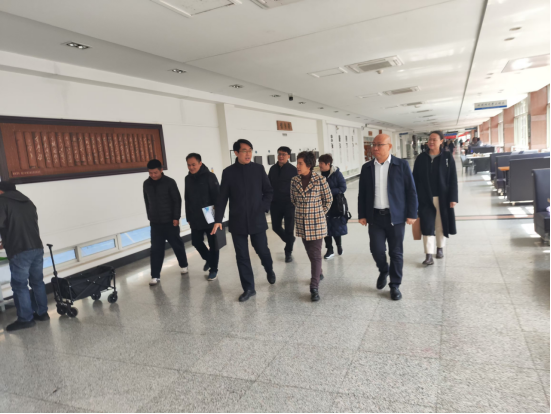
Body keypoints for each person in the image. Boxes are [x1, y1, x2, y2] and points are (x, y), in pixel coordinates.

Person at [212, 139, 275, 302]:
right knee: (242, 256)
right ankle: (249, 288)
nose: (248, 154)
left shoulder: (258, 169)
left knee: (262, 250)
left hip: (257, 218)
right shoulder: (228, 172)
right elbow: (222, 198)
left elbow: (268, 191)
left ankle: (269, 269)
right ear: (236, 153)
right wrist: (218, 219)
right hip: (237, 220)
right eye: (244, 151)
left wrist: (263, 207)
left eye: (250, 150)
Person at [358, 134, 418, 301]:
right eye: (374, 145)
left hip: (396, 216)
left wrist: (412, 213)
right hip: (375, 217)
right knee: (376, 250)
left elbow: (411, 191)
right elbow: (362, 193)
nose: (375, 148)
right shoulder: (367, 167)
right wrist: (362, 214)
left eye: (379, 145)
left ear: (389, 146)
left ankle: (395, 285)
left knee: (396, 252)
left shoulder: (401, 165)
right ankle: (384, 270)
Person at [0, 182, 48, 332]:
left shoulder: (2, 201)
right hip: (36, 247)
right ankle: (42, 313)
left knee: (19, 285)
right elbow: (23, 226)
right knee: (37, 282)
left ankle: (25, 319)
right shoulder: (28, 201)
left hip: (20, 249)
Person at [291, 151, 332, 301]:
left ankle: (314, 287)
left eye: (300, 163)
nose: (297, 166)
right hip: (302, 223)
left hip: (316, 223)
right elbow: (293, 199)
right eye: (297, 163)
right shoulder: (294, 181)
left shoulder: (320, 180)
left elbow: (328, 199)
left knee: (315, 254)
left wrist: (319, 213)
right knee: (310, 252)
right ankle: (319, 272)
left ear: (309, 165)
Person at [413, 131, 458, 265]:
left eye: (434, 139)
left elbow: (453, 178)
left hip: (443, 197)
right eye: (430, 139)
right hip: (425, 198)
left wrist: (453, 198)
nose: (431, 142)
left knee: (440, 224)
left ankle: (439, 248)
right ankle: (428, 255)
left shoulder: (447, 157)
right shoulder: (421, 158)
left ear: (441, 141)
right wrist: (414, 198)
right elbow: (414, 179)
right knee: (427, 225)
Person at [143, 159, 188, 286]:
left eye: (155, 172)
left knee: (176, 244)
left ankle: (184, 265)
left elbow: (177, 200)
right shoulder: (146, 184)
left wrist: (176, 217)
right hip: (155, 222)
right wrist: (150, 216)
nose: (153, 175)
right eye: (150, 173)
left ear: (161, 170)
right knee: (156, 249)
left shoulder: (169, 182)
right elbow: (147, 201)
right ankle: (155, 275)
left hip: (170, 221)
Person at [184, 153, 220, 281]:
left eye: (193, 164)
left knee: (213, 243)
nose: (191, 167)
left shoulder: (210, 176)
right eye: (189, 165)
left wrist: (218, 218)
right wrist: (188, 217)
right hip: (195, 215)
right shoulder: (187, 179)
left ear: (200, 163)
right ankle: (209, 259)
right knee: (196, 242)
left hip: (209, 214)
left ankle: (214, 269)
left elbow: (217, 197)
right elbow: (187, 199)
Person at [268, 146, 297, 263]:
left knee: (289, 229)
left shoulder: (293, 170)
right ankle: (290, 240)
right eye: (279, 154)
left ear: (288, 156)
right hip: (275, 204)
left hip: (289, 204)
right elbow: (268, 185)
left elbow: (297, 186)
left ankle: (288, 252)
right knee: (276, 227)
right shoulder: (272, 169)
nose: (281, 156)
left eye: (283, 154)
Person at [318, 154, 347, 259]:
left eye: (321, 163)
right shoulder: (318, 175)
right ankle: (329, 249)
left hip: (335, 205)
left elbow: (343, 187)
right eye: (319, 163)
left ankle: (339, 246)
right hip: (322, 205)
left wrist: (329, 192)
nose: (320, 165)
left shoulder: (337, 174)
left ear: (328, 164)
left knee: (336, 226)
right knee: (325, 228)